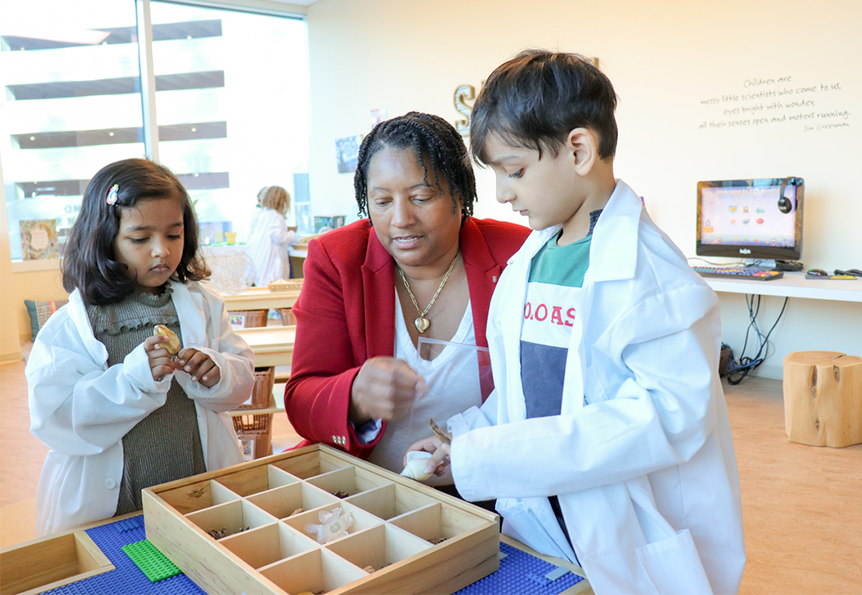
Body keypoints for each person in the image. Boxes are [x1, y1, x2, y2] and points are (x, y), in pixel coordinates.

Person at [406, 51, 745, 595]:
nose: (502, 193)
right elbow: (530, 392)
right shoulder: (531, 259)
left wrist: (488, 457)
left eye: (514, 171)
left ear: (580, 150)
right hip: (546, 524)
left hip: (628, 536)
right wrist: (465, 440)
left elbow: (664, 419)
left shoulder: (652, 276)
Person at [283, 112, 529, 497]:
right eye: (381, 201)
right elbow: (301, 400)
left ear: (460, 195)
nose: (400, 219)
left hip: (489, 495)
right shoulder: (337, 259)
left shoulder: (517, 255)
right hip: (368, 492)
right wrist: (354, 396)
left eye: (421, 197)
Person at [27, 158, 255, 537]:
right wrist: (133, 381)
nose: (160, 251)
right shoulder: (76, 324)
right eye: (140, 238)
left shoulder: (204, 305)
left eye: (173, 235)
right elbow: (54, 417)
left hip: (194, 484)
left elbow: (243, 379)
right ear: (105, 238)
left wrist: (217, 372)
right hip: (114, 503)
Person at [245, 185, 297, 286]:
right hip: (271, 265)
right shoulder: (276, 216)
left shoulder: (264, 215)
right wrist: (293, 235)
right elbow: (278, 236)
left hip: (261, 262)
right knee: (274, 286)